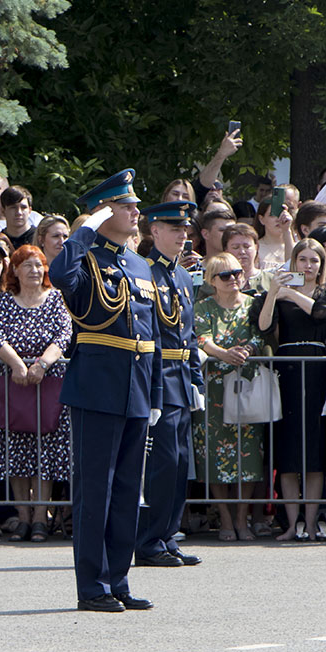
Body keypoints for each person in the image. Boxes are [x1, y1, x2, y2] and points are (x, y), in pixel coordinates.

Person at [50, 169, 161, 613]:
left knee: (127, 490)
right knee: (96, 490)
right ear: (104, 211)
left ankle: (118, 579)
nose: (136, 212)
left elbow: (151, 336)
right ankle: (91, 585)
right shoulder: (84, 257)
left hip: (135, 388)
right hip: (96, 387)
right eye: (126, 205)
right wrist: (82, 232)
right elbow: (61, 278)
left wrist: (153, 395)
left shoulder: (138, 264)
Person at [133, 202, 204, 567]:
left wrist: (196, 379)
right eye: (174, 229)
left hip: (179, 377)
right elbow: (150, 335)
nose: (182, 235)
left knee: (178, 463)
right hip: (158, 378)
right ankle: (147, 541)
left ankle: (166, 534)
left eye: (185, 229)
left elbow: (188, 335)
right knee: (160, 464)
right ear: (154, 231)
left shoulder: (181, 277)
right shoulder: (144, 274)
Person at [0, 244, 72, 544]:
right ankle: (23, 516)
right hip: (12, 380)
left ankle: (41, 517)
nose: (35, 271)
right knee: (16, 449)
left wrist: (41, 365)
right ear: (16, 270)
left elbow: (63, 335)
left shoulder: (56, 299)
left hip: (48, 380)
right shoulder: (2, 303)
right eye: (28, 265)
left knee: (45, 451)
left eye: (39, 265)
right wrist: (18, 365)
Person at [256, 239, 326, 541]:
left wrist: (290, 293)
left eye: (314, 260)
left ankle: (311, 523)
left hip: (316, 368)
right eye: (302, 259)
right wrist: (275, 293)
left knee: (315, 452)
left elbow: (320, 314)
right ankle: (291, 525)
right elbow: (264, 327)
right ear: (293, 262)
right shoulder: (278, 293)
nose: (308, 266)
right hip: (287, 370)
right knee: (288, 451)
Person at [193, 253, 266, 540]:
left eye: (236, 273)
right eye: (225, 275)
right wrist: (224, 354)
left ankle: (241, 517)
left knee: (248, 455)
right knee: (212, 455)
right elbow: (201, 337)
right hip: (213, 391)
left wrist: (246, 350)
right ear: (212, 281)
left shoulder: (251, 304)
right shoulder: (203, 306)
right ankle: (224, 517)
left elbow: (261, 333)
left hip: (245, 387)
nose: (233, 278)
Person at [254, 197, 295, 270]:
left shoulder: (297, 246)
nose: (278, 219)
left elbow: (293, 268)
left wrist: (287, 230)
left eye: (281, 214)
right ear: (261, 219)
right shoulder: (255, 248)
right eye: (272, 215)